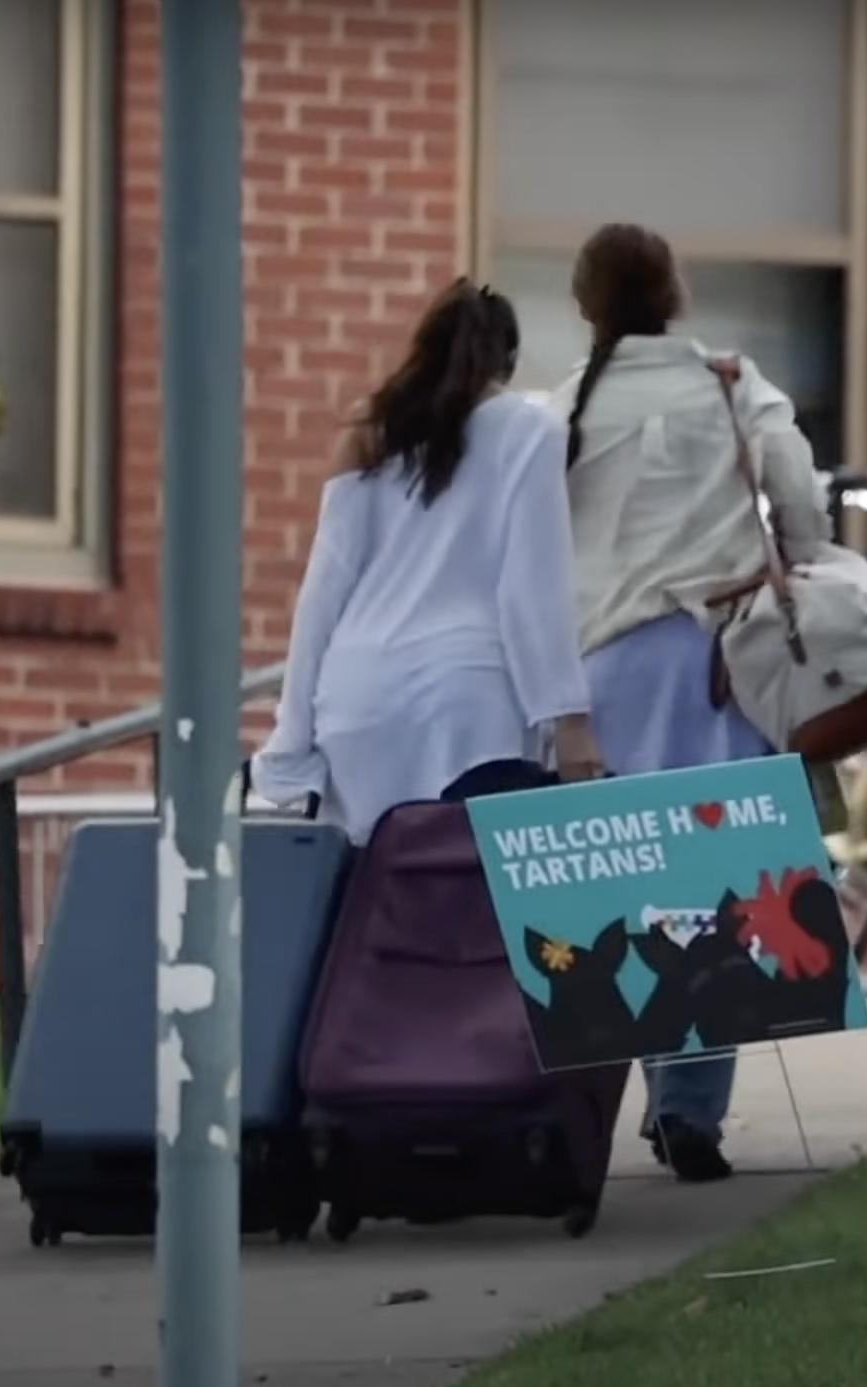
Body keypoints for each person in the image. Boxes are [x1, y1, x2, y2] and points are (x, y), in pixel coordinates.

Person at [545, 223, 832, 1185]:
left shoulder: (560, 410)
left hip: (593, 677)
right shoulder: (731, 382)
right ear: (678, 294)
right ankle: (688, 1114)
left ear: (586, 306)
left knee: (601, 911)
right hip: (713, 667)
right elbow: (798, 499)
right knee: (717, 898)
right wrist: (803, 561)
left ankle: (577, 1127)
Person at [253, 279, 604, 843]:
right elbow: (532, 591)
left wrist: (291, 737)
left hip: (357, 696)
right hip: (467, 704)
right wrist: (569, 717)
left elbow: (324, 589)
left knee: (372, 906)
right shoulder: (531, 431)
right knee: (462, 903)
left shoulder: (372, 431)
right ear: (507, 361)